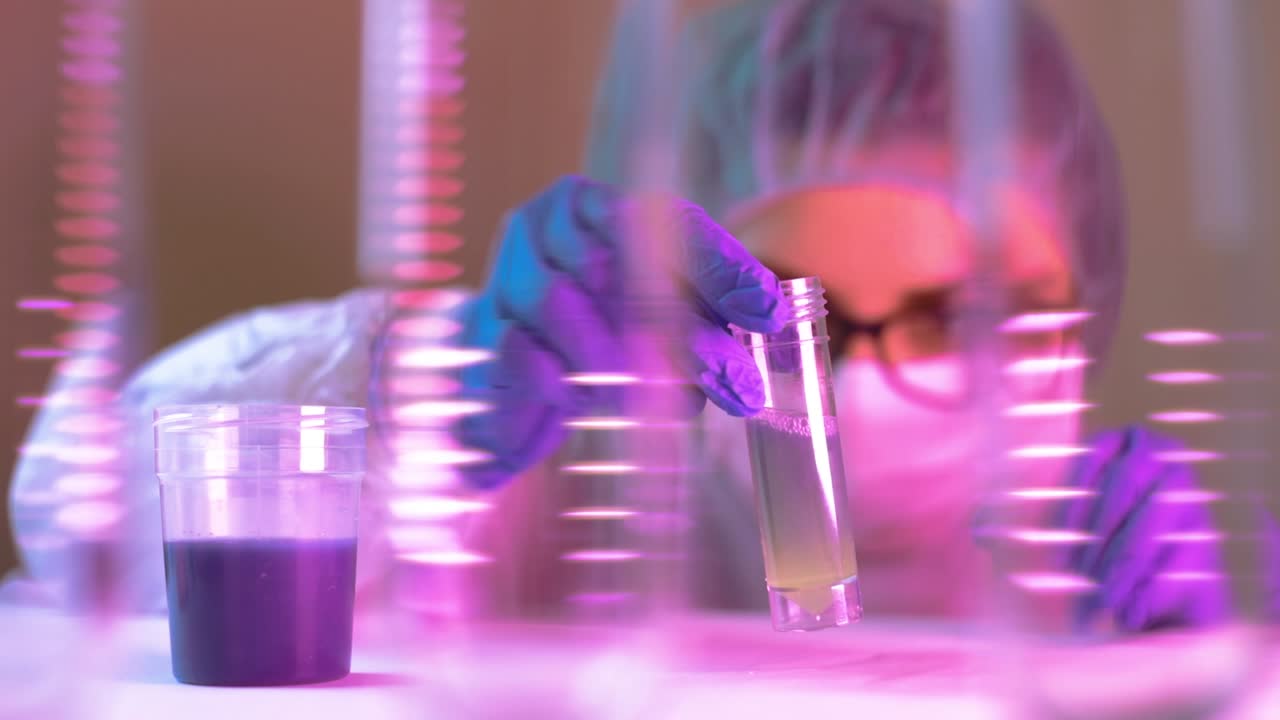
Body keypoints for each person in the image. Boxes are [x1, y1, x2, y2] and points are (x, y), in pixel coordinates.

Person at [8, 0, 1234, 630]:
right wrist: (432, 403)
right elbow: (81, 525)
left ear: (1082, 306)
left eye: (962, 316)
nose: (860, 381)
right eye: (789, 318)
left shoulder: (1164, 577)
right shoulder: (548, 506)